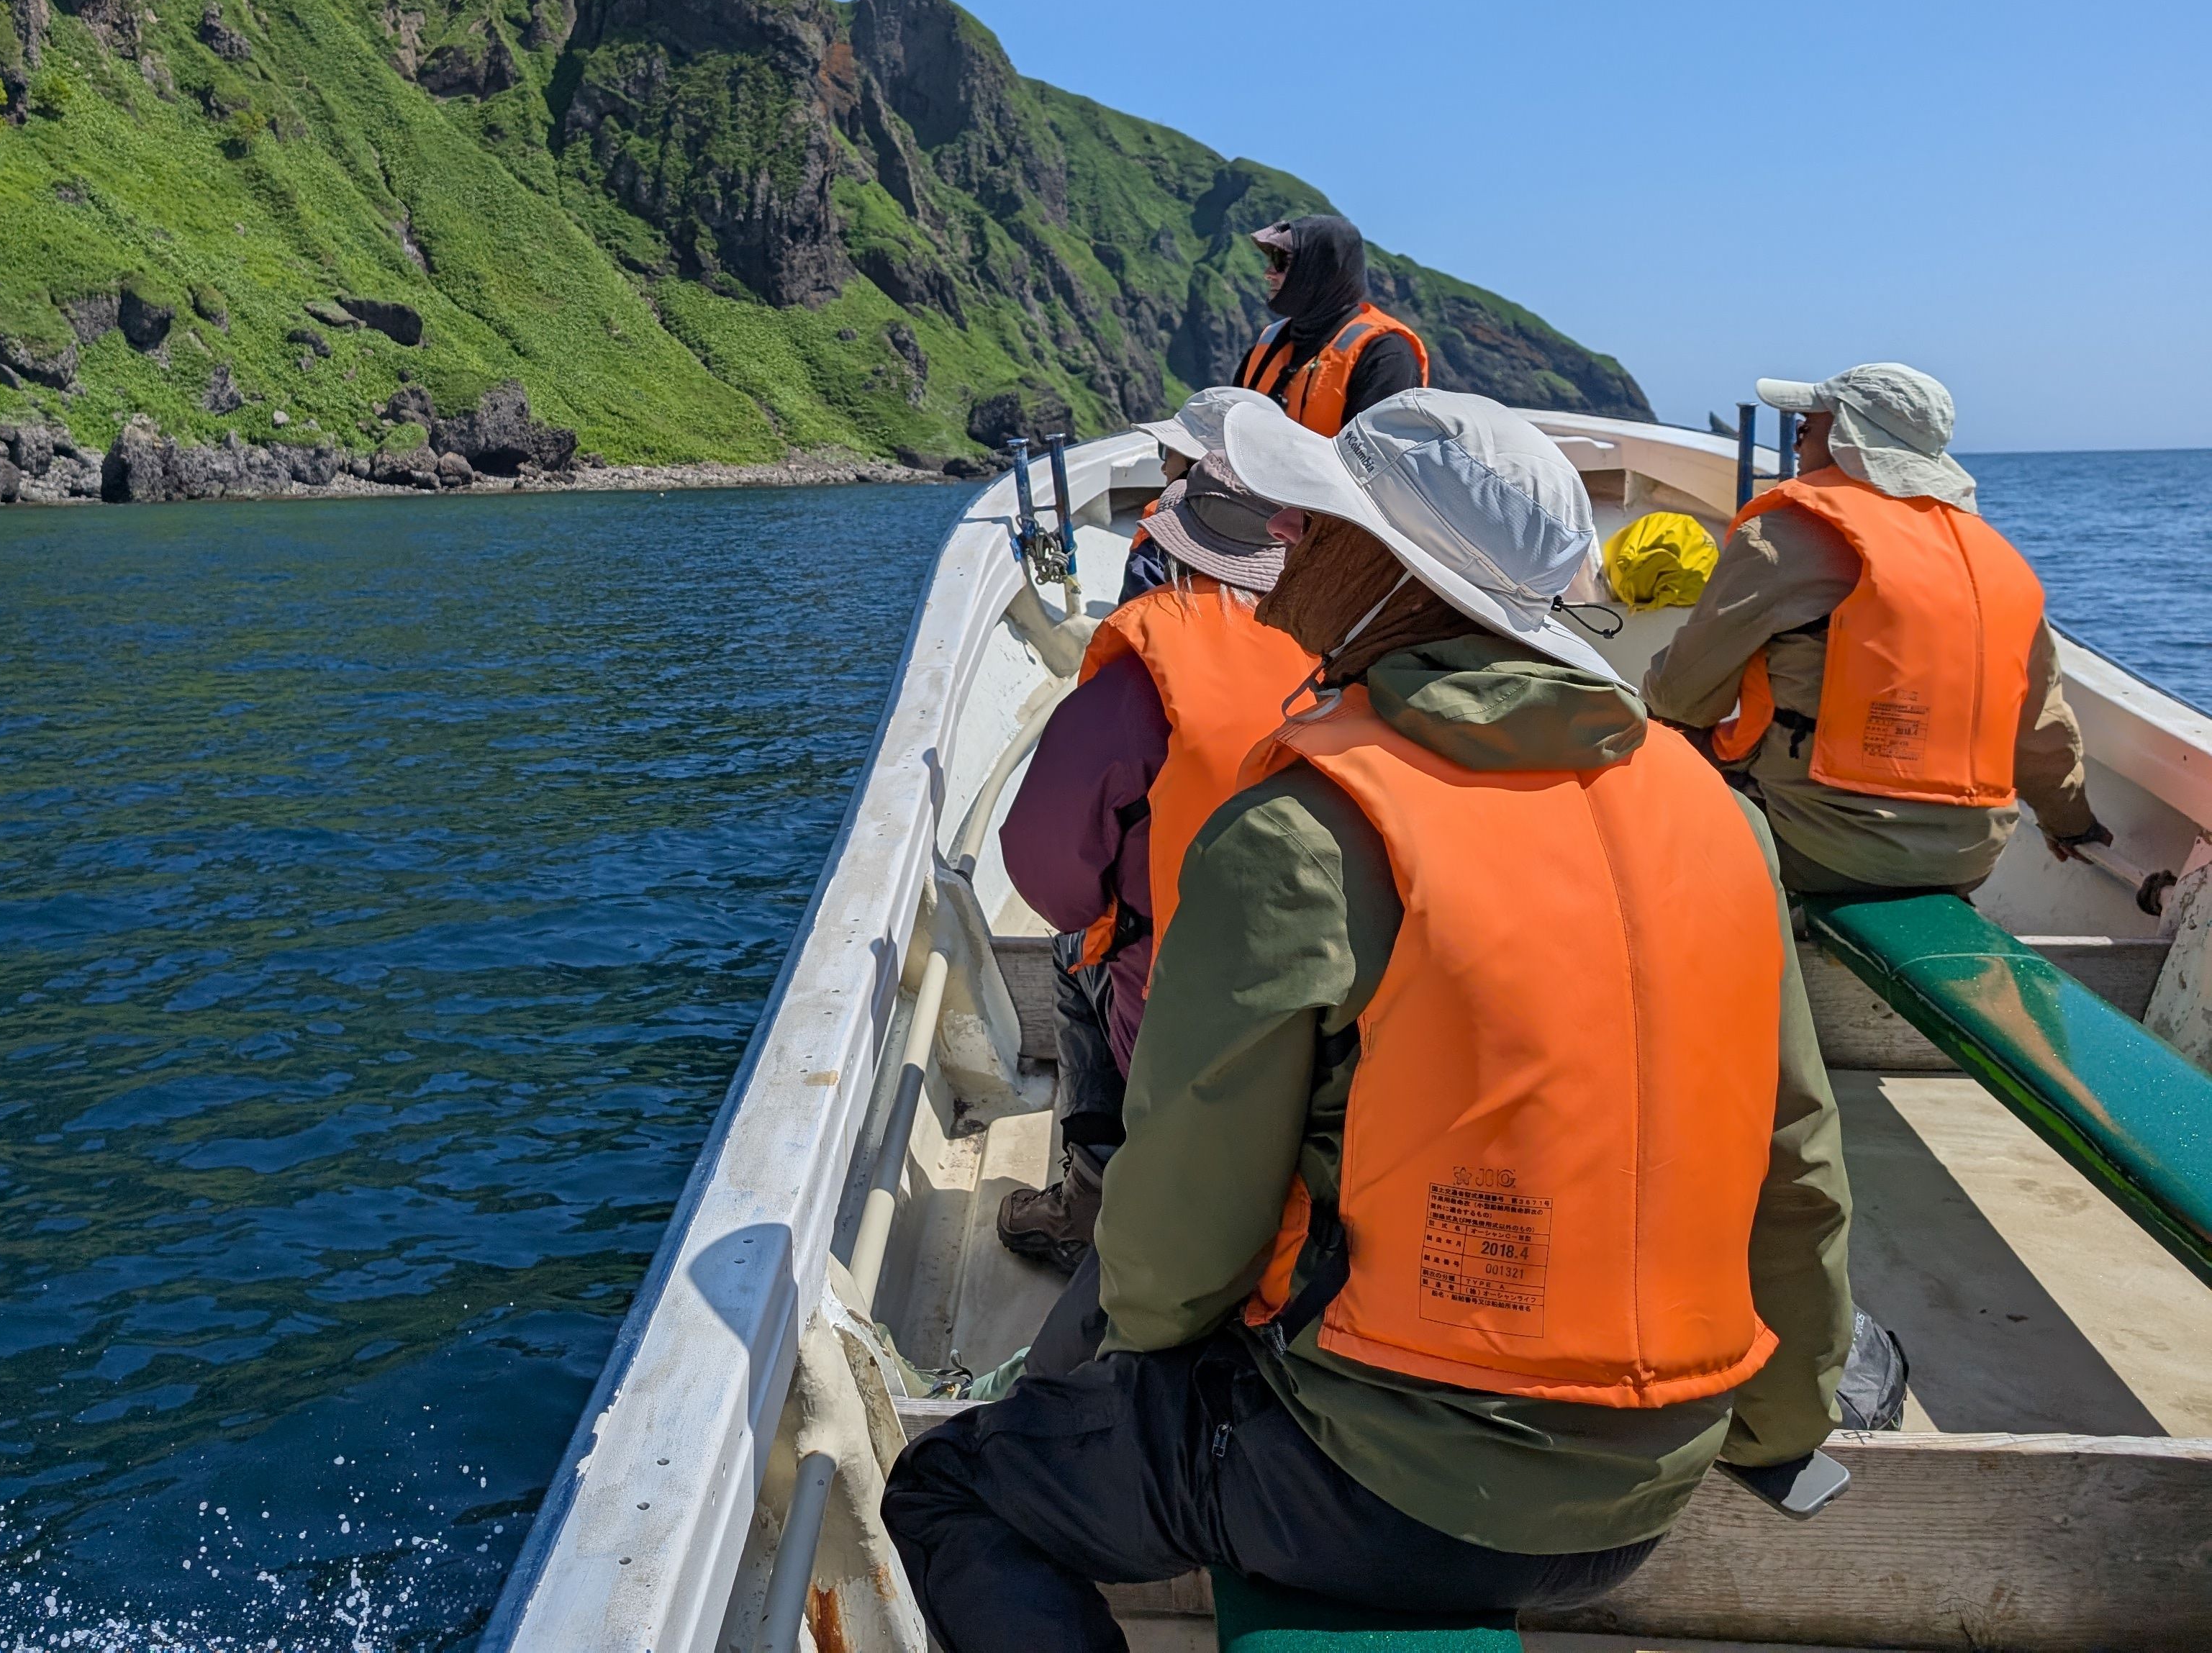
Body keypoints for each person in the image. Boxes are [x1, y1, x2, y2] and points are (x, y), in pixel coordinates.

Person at [884, 390, 1852, 1651]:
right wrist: (1773, 1429)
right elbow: (1798, 1163)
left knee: (952, 1489)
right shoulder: (1719, 817)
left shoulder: (1299, 832)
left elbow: (1184, 1240)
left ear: (1394, 576)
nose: (1284, 541)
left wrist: (1137, 1360)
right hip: (1650, 1482)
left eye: (1320, 519)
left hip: (1381, 1486)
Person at [993, 426, 1313, 1274]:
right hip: (1330, 1038)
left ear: (1176, 552)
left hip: (1179, 1040)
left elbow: (1047, 878)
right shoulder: (1342, 666)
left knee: (1073, 952)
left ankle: (1089, 1200)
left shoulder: (1132, 694)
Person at [1641, 364, 2107, 898]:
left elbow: (1680, 698)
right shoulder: (1997, 562)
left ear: (1845, 438)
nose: (1797, 448)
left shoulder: (1782, 536)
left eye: (1803, 430)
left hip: (1818, 849)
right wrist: (2073, 826)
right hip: (1971, 859)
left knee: (1661, 735)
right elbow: (2042, 737)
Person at [1235, 214, 1430, 434]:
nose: (1268, 273)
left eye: (1282, 262)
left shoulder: (1387, 353)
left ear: (1320, 269)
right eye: (1271, 260)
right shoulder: (1269, 342)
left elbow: (1378, 462)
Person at [1123, 385, 1254, 599]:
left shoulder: (1159, 540)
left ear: (1197, 464)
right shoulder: (1288, 534)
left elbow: (1134, 614)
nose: (1164, 468)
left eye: (1168, 452)